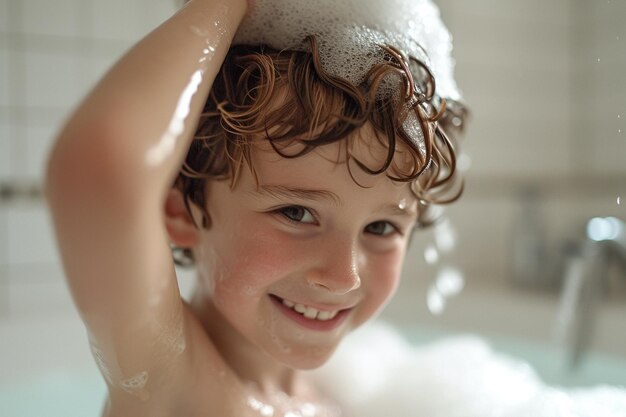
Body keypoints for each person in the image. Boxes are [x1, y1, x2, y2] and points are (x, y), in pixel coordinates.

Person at [45, 0, 467, 415]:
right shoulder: (173, 384)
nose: (343, 277)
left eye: (380, 227)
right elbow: (101, 171)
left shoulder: (346, 392)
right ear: (181, 213)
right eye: (296, 213)